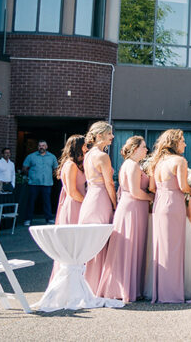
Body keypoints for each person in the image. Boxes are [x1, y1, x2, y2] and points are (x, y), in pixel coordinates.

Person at [97, 136, 154, 302]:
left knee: (129, 247)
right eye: (143, 147)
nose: (146, 150)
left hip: (132, 207)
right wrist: (151, 197)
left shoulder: (129, 164)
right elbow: (136, 191)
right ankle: (124, 289)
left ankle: (128, 287)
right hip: (133, 208)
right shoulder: (133, 166)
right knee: (130, 247)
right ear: (135, 148)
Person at [150, 129, 191, 303]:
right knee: (174, 248)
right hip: (174, 203)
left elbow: (153, 188)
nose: (185, 143)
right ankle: (172, 293)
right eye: (182, 141)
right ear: (174, 142)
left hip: (160, 203)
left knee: (162, 247)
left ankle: (161, 291)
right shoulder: (179, 161)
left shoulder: (158, 162)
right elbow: (183, 187)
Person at [79, 121, 117, 288]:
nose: (112, 137)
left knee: (90, 241)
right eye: (109, 134)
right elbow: (109, 183)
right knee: (100, 241)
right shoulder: (102, 156)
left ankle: (88, 282)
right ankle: (97, 284)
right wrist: (115, 204)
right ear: (100, 135)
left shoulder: (88, 155)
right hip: (101, 199)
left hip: (90, 199)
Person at [22, 140, 58, 225]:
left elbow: (56, 169)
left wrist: (50, 175)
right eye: (40, 146)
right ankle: (28, 219)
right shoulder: (31, 156)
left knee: (47, 202)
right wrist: (31, 175)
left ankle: (49, 219)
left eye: (43, 145)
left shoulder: (52, 157)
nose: (41, 147)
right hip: (34, 183)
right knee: (31, 202)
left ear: (46, 147)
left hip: (47, 183)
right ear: (38, 147)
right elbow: (24, 168)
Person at [55, 135, 86, 226]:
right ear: (77, 147)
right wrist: (87, 202)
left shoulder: (77, 165)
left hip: (79, 202)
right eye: (84, 145)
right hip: (74, 203)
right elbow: (72, 191)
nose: (86, 148)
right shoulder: (71, 165)